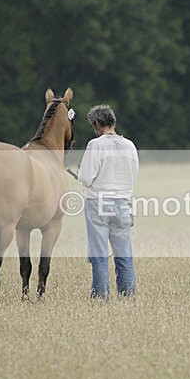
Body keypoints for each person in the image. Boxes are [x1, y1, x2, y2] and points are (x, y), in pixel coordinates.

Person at [77, 105, 139, 300]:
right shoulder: (129, 145)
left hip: (98, 203)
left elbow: (86, 178)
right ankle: (128, 297)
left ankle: (100, 298)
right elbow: (133, 174)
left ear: (96, 124)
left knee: (99, 255)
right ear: (113, 121)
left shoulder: (95, 145)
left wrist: (80, 172)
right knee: (124, 255)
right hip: (122, 203)